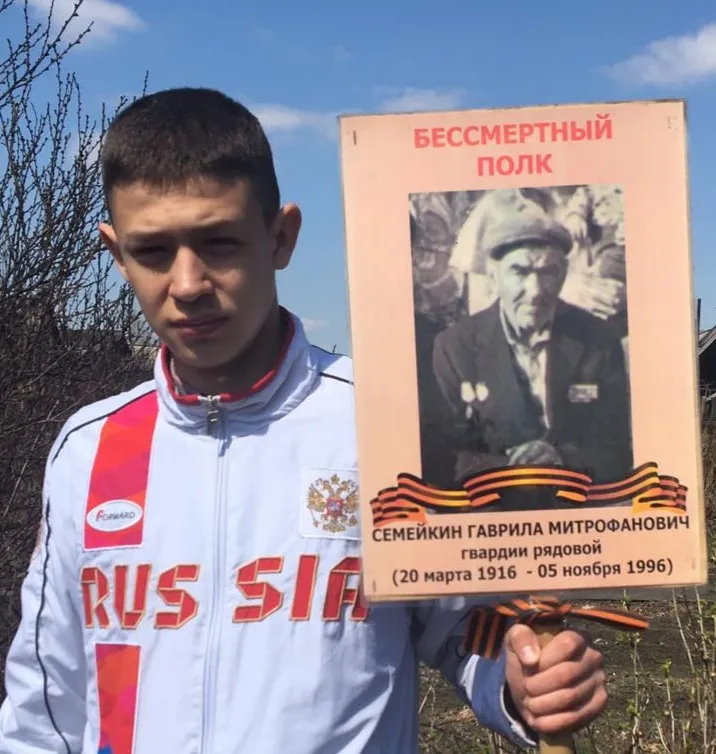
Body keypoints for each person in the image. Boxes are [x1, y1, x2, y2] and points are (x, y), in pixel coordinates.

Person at [0, 89, 608, 753]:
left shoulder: (386, 422)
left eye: (219, 243)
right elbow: (45, 699)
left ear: (280, 237)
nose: (188, 283)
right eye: (152, 251)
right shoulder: (88, 449)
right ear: (116, 253)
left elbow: (465, 631)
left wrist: (522, 682)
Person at [430, 188, 632, 504]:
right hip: (493, 514)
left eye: (548, 272)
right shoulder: (454, 347)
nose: (535, 290)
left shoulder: (598, 339)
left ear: (563, 276)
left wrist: (561, 458)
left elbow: (617, 449)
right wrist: (512, 470)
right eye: (520, 272)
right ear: (493, 276)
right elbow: (442, 455)